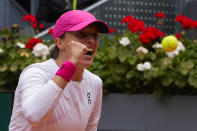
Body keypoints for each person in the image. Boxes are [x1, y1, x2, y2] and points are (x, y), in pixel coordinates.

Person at [9, 10, 109, 131]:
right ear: (60, 43)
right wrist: (71, 64)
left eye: (95, 36)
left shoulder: (95, 83)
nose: (91, 41)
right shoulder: (35, 73)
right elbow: (33, 114)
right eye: (82, 34)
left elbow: (90, 129)